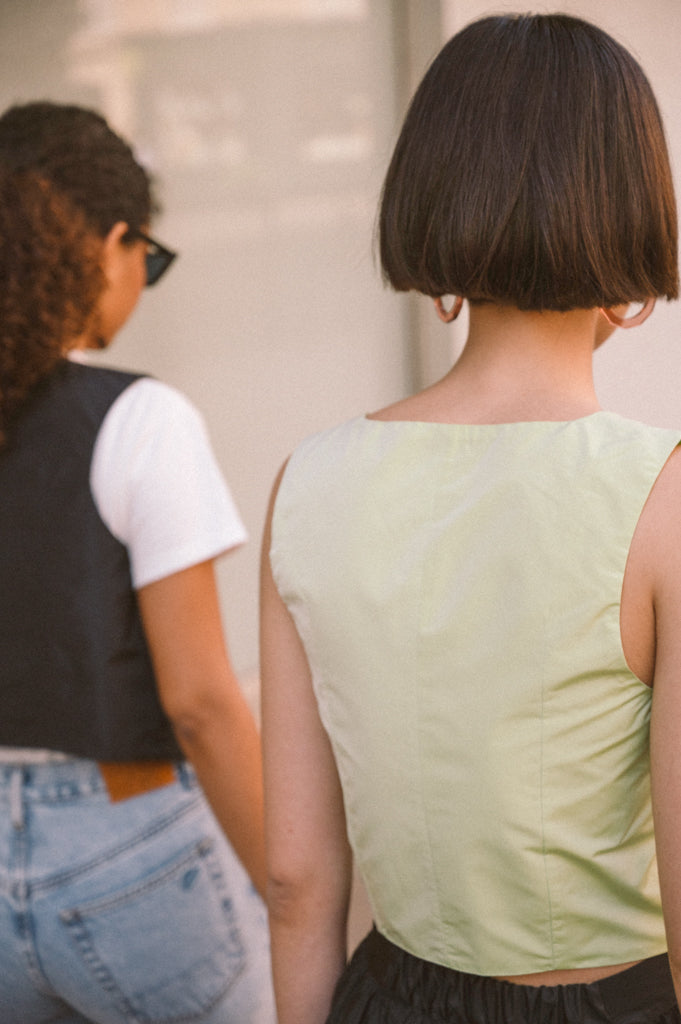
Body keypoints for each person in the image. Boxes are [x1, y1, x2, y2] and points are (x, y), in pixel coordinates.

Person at [260, 13, 681, 1024]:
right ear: (633, 203)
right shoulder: (661, 495)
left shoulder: (305, 480)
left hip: (385, 992)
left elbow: (293, 877)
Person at [0, 102, 274, 1023]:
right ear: (110, 244)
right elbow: (199, 701)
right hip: (124, 838)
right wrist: (293, 885)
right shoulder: (140, 420)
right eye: (147, 258)